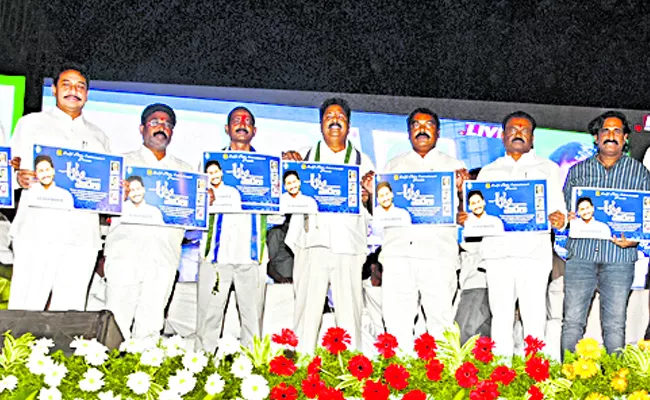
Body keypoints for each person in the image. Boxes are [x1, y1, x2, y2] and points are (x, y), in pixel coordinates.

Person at [458, 111, 567, 358]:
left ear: (532, 137)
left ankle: (535, 376)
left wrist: (560, 218)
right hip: (498, 255)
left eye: (524, 130)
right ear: (503, 136)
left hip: (534, 256)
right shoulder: (488, 172)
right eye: (512, 130)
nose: (518, 134)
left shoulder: (548, 169)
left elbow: (559, 211)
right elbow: (477, 213)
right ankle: (502, 377)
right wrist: (469, 220)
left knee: (534, 319)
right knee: (501, 319)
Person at [8, 64, 110, 311]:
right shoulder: (30, 124)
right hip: (36, 230)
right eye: (66, 84)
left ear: (87, 94)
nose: (73, 90)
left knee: (70, 311)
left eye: (80, 86)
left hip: (82, 236)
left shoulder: (100, 137)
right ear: (54, 90)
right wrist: (17, 179)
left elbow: (105, 185)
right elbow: (9, 168)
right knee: (25, 305)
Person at [283, 98, 375, 353]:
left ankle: (352, 376)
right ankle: (301, 370)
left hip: (348, 245)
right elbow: (286, 195)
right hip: (312, 242)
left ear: (348, 124)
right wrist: (287, 167)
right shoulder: (304, 156)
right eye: (329, 117)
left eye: (341, 117)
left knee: (350, 314)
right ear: (321, 124)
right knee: (306, 312)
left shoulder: (362, 160)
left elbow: (374, 206)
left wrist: (368, 197)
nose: (335, 121)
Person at [378, 107, 468, 353]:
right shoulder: (392, 166)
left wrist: (463, 189)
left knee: (440, 323)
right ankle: (400, 382)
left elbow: (467, 211)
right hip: (399, 255)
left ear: (437, 132)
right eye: (416, 125)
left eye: (428, 125)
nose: (422, 130)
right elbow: (381, 209)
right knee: (397, 322)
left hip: (438, 255)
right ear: (409, 133)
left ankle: (442, 382)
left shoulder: (454, 166)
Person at [562, 111, 650, 355]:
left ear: (625, 138)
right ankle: (568, 380)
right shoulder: (577, 171)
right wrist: (567, 217)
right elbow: (564, 210)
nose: (611, 136)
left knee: (614, 325)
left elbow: (646, 216)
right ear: (596, 137)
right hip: (581, 255)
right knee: (572, 322)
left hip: (620, 259)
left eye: (617, 131)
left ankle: (615, 382)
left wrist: (635, 239)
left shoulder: (640, 173)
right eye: (606, 131)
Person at [103, 103, 192, 340]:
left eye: (167, 124)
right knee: (115, 323)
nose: (161, 127)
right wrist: (114, 196)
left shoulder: (186, 172)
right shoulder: (120, 164)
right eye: (155, 122)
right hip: (125, 255)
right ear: (142, 128)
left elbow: (192, 221)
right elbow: (100, 208)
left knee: (152, 326)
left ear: (172, 132)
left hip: (164, 258)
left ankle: (143, 376)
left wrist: (204, 202)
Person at [196, 106, 268, 351]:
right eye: (236, 120)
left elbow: (279, 216)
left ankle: (252, 379)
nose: (241, 124)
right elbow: (194, 210)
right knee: (208, 321)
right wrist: (204, 201)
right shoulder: (208, 163)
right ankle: (200, 371)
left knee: (253, 323)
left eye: (247, 121)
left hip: (253, 255)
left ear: (254, 130)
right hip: (215, 255)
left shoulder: (266, 168)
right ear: (227, 129)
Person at [267, 215, 294, 283]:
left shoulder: (296, 234)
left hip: (296, 280)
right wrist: (280, 278)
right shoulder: (276, 233)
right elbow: (268, 262)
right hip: (282, 280)